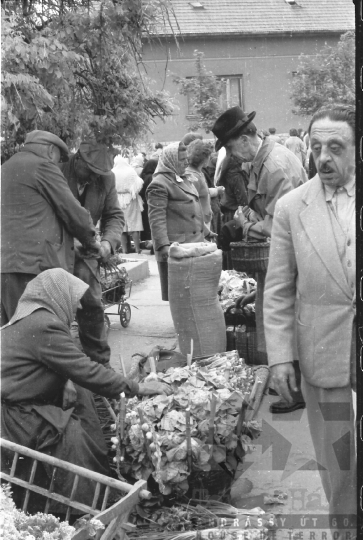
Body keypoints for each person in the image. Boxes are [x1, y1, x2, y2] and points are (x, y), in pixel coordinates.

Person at [1, 269, 171, 514]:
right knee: (73, 438)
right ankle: (76, 510)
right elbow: (87, 371)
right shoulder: (43, 324)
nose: (73, 312)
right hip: (18, 418)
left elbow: (66, 364)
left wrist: (67, 380)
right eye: (73, 303)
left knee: (79, 397)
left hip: (21, 406)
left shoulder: (33, 317)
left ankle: (89, 486)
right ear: (56, 295)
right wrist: (138, 387)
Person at [264, 104, 356, 540]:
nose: (323, 158)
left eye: (336, 147)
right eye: (316, 147)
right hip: (324, 354)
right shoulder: (290, 208)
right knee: (339, 463)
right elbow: (278, 289)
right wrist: (281, 357)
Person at [212, 106, 307, 379]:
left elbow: (278, 226)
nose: (230, 155)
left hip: (295, 257)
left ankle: (294, 387)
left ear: (244, 139)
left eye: (230, 148)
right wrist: (257, 294)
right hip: (286, 257)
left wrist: (246, 226)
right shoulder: (263, 161)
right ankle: (290, 383)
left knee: (287, 323)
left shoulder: (274, 166)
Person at [1, 130, 100, 325]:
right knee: (41, 332)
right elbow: (73, 213)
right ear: (50, 150)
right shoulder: (43, 166)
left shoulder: (5, 168)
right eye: (58, 157)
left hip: (5, 265)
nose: (58, 163)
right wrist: (90, 240)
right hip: (35, 267)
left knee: (12, 334)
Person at [60, 141, 124, 367]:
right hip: (55, 251)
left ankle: (100, 366)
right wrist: (69, 241)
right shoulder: (56, 170)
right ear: (78, 160)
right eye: (90, 171)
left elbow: (115, 216)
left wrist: (107, 243)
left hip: (86, 254)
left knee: (92, 306)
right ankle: (61, 372)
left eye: (98, 173)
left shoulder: (105, 179)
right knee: (57, 312)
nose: (93, 177)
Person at [147, 142, 213, 301]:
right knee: (181, 296)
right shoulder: (159, 184)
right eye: (182, 159)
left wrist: (206, 231)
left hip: (194, 244)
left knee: (193, 293)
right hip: (176, 248)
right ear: (170, 161)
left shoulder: (185, 179)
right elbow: (156, 219)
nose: (186, 162)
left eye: (187, 158)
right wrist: (163, 246)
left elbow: (193, 211)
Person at [113, 156, 144, 254]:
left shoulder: (113, 172)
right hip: (130, 199)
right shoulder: (130, 171)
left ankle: (125, 249)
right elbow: (139, 184)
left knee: (122, 226)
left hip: (118, 199)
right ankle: (137, 249)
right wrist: (132, 191)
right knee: (134, 224)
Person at [185, 139, 216, 227]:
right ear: (205, 158)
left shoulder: (198, 173)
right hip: (199, 224)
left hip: (203, 220)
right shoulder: (193, 176)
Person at [139, 159, 159, 249]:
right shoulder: (152, 177)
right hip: (151, 203)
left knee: (146, 225)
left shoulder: (142, 176)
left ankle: (147, 244)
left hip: (144, 203)